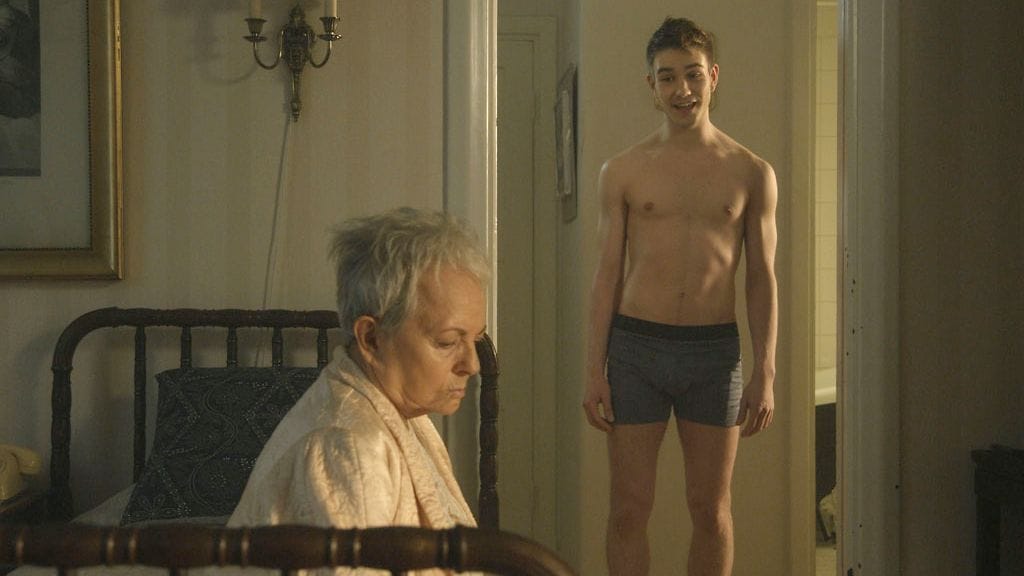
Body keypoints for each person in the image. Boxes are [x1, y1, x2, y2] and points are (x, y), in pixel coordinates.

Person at [582, 17, 778, 576]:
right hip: (635, 350)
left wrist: (765, 370)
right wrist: (594, 370)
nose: (682, 89)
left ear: (713, 76)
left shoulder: (751, 172)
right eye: (667, 77)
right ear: (652, 85)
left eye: (692, 74)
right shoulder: (623, 171)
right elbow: (606, 275)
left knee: (711, 511)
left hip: (714, 355)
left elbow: (761, 277)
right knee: (628, 509)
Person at [229, 207, 489, 574]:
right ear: (371, 338)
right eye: (447, 342)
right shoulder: (346, 447)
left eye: (475, 340)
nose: (472, 365)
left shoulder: (397, 411)